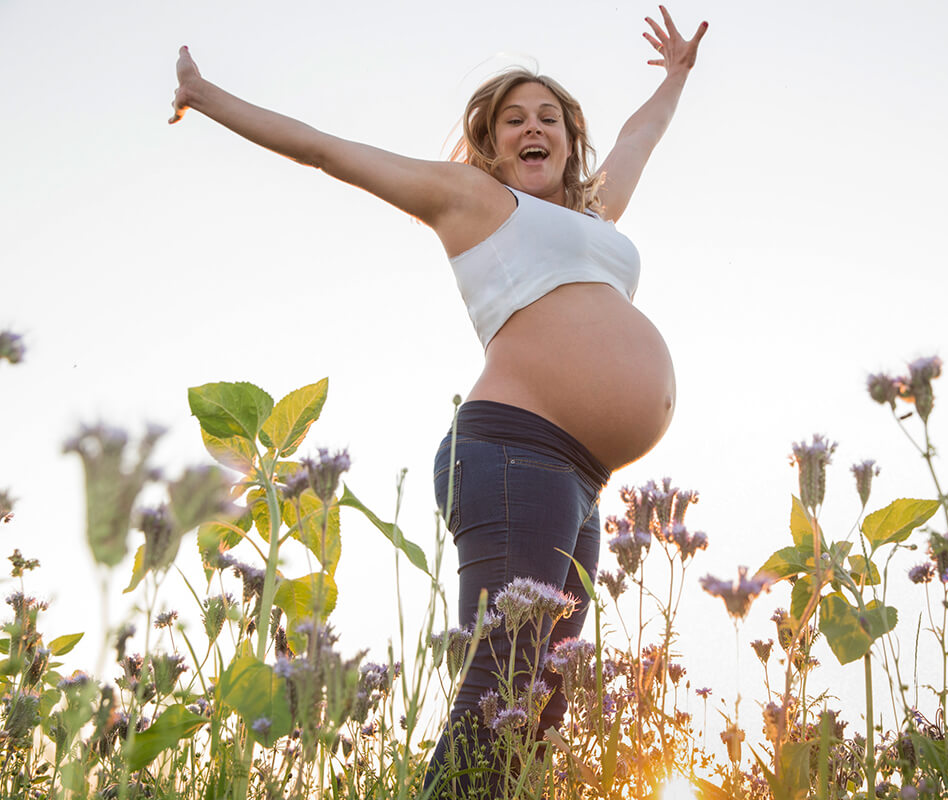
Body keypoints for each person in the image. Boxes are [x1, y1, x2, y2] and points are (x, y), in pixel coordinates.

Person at [170, 5, 706, 792]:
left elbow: (638, 140)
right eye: (514, 118)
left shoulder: (592, 216)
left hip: (581, 480)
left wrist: (677, 79)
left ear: (567, 137)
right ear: (490, 144)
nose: (534, 127)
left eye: (549, 117)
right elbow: (326, 151)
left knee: (538, 703)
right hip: (516, 451)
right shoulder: (474, 201)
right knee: (501, 689)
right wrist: (207, 95)